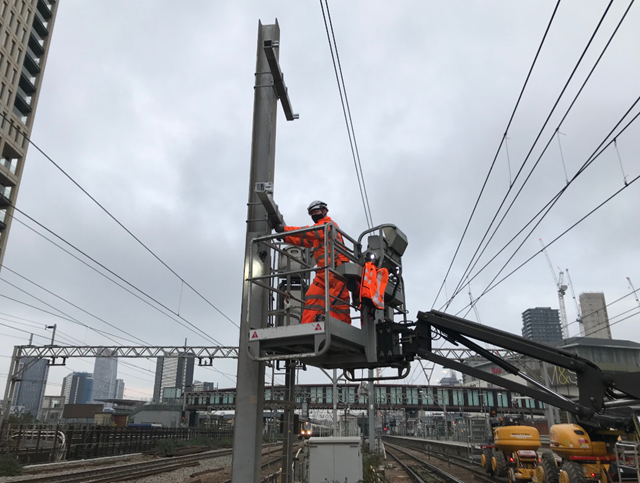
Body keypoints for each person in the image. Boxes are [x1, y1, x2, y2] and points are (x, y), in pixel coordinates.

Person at [274, 200, 351, 324]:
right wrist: (285, 237)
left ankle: (338, 327)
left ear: (324, 211)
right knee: (311, 298)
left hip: (336, 272)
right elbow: (302, 241)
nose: (313, 215)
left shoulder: (327, 225)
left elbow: (307, 232)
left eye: (316, 211)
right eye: (311, 213)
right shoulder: (318, 234)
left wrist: (284, 230)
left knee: (335, 303)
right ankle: (306, 327)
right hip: (323, 273)